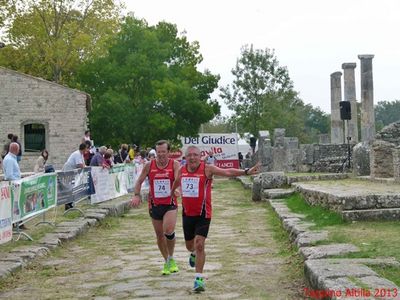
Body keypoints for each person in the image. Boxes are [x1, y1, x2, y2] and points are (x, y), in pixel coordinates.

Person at [171, 145, 260, 292]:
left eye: (195, 155)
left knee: (199, 244)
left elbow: (227, 172)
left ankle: (198, 279)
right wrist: (174, 190)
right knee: (190, 246)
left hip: (203, 214)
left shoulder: (207, 169)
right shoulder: (182, 170)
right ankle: (192, 253)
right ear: (185, 158)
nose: (192, 158)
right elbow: (176, 182)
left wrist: (246, 171)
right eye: (189, 155)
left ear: (200, 157)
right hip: (187, 214)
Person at [130, 140, 180, 275]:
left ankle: (171, 255)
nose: (161, 154)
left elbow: (177, 179)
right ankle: (168, 260)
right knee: (159, 236)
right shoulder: (149, 165)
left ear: (168, 152)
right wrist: (136, 195)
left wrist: (176, 189)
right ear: (156, 152)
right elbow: (139, 181)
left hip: (170, 204)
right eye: (159, 152)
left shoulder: (174, 164)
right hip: (155, 204)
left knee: (168, 230)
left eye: (164, 152)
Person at [3, 143, 25, 229]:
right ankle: (15, 223)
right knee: (14, 205)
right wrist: (18, 180)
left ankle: (18, 222)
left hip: (15, 184)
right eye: (18, 149)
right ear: (16, 149)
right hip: (14, 185)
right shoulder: (10, 159)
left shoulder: (12, 158)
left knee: (16, 204)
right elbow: (9, 175)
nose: (19, 151)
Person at [62, 143, 87, 210]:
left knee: (72, 186)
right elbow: (79, 165)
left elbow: (83, 164)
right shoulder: (77, 154)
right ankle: (67, 204)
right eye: (86, 148)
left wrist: (85, 166)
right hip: (68, 169)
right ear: (84, 148)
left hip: (72, 170)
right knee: (69, 186)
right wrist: (84, 166)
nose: (87, 150)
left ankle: (70, 203)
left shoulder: (81, 154)